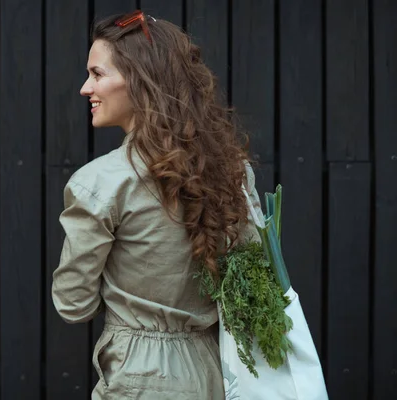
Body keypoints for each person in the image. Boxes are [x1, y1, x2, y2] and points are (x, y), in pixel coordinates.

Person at [51, 10, 262, 399]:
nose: (85, 88)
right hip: (216, 371)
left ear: (139, 80)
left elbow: (73, 303)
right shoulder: (233, 173)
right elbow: (252, 277)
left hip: (139, 376)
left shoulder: (101, 183)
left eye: (97, 74)